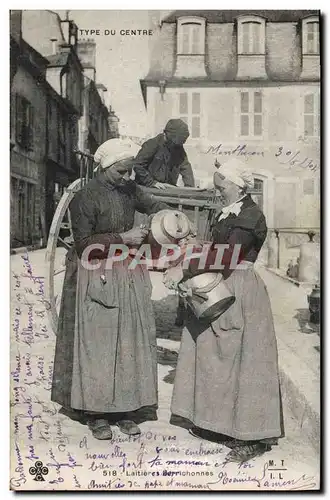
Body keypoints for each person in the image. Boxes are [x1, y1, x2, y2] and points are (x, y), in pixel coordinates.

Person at [164, 158, 284, 463]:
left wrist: (186, 269)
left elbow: (228, 256)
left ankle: (253, 436)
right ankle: (219, 423)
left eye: (220, 185)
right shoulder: (226, 213)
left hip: (240, 289)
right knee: (213, 353)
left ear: (235, 185)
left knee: (246, 361)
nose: (216, 189)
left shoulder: (251, 215)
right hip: (220, 284)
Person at [51, 138, 169, 440]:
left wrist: (167, 217)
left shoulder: (129, 190)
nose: (129, 177)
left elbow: (154, 204)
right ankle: (97, 413)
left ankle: (125, 410)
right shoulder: (85, 198)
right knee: (99, 344)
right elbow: (83, 244)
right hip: (95, 272)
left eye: (130, 171)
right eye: (122, 171)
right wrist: (123, 238)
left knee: (127, 341)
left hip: (125, 273)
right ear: (105, 168)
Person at [133, 119, 195, 189]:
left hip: (166, 188)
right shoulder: (152, 144)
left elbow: (185, 167)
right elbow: (137, 165)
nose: (176, 145)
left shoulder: (178, 147)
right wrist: (151, 182)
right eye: (174, 141)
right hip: (147, 187)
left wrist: (190, 187)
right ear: (166, 134)